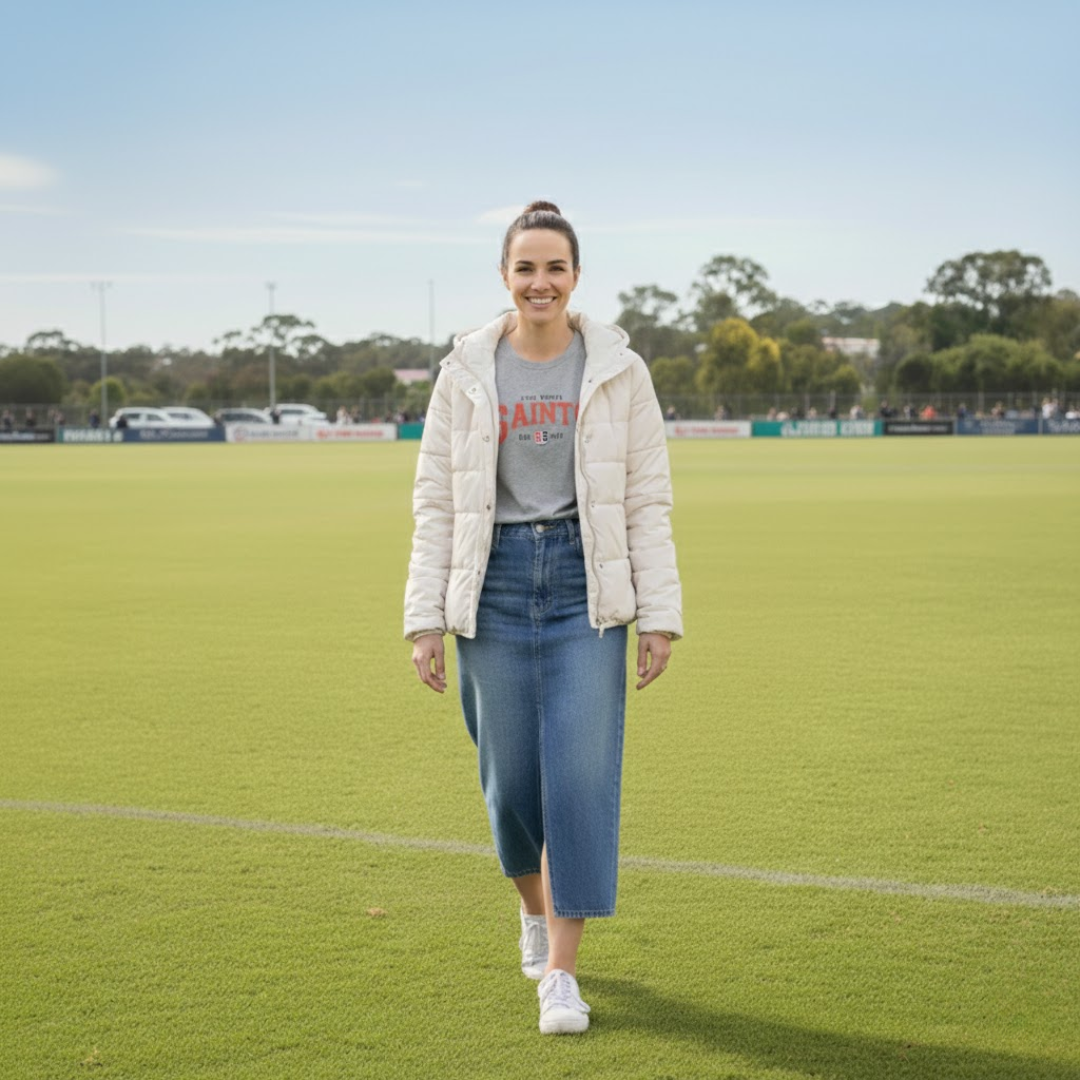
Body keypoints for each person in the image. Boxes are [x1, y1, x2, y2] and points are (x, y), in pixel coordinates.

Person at [404, 201, 682, 1036]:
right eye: (525, 267)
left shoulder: (618, 371)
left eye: (554, 267)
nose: (540, 282)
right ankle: (531, 907)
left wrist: (658, 614)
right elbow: (436, 502)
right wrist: (425, 618)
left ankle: (561, 972)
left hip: (582, 589)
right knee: (512, 785)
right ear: (505, 276)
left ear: (575, 276)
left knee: (580, 779)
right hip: (489, 589)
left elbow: (646, 498)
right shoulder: (464, 373)